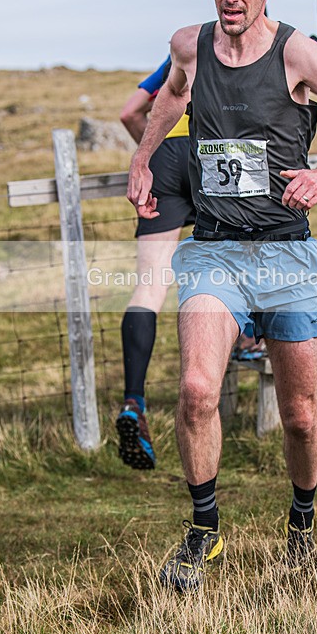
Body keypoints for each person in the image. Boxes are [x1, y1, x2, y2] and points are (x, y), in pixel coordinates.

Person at [127, 0, 317, 592]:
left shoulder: (299, 54)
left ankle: (301, 524)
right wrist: (143, 156)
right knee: (196, 390)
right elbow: (172, 94)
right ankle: (204, 533)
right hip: (214, 251)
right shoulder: (187, 44)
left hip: (285, 254)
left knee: (300, 415)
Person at [116, 58, 195, 469]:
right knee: (234, 264)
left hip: (163, 159)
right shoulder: (229, 47)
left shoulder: (174, 60)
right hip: (213, 153)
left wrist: (151, 153)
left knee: (149, 287)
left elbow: (130, 113)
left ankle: (134, 400)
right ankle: (248, 343)